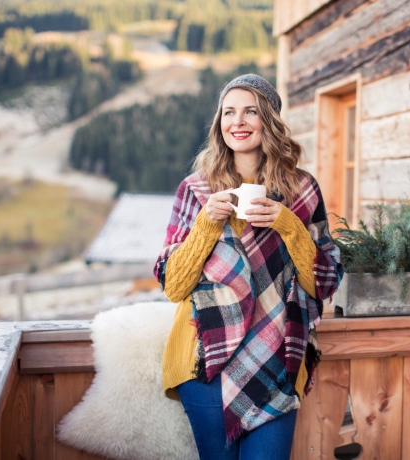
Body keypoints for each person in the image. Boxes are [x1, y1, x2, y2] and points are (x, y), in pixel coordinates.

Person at [153, 73, 343, 460]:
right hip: (206, 361)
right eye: (229, 112)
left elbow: (322, 281)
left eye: (250, 111)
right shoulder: (196, 189)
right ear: (219, 123)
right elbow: (174, 285)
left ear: (269, 120)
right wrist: (207, 223)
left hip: (277, 360)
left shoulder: (302, 189)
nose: (237, 122)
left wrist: (288, 224)